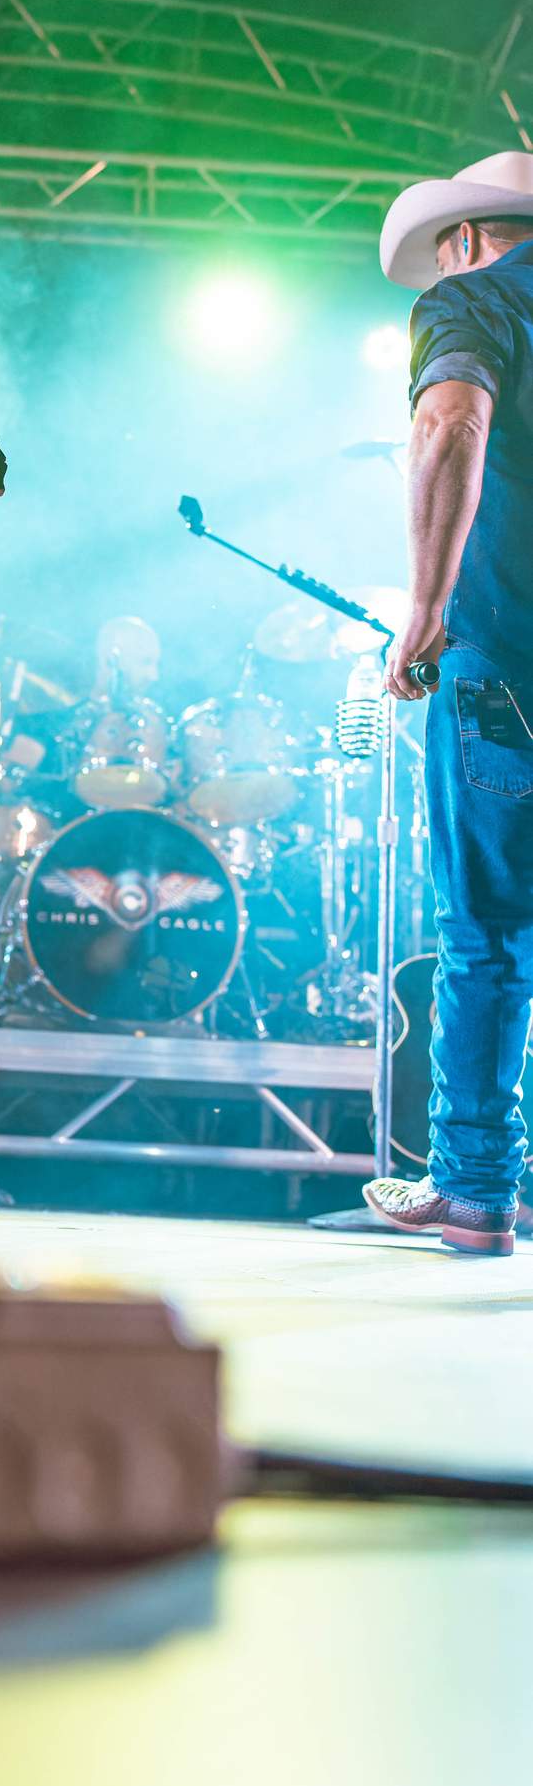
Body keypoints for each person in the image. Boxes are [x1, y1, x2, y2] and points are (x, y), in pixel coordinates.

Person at [365, 150, 533, 1254]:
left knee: (483, 931)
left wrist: (424, 604)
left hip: (504, 668)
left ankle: (473, 1186)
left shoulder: (468, 300)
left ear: (466, 238)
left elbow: (448, 426)